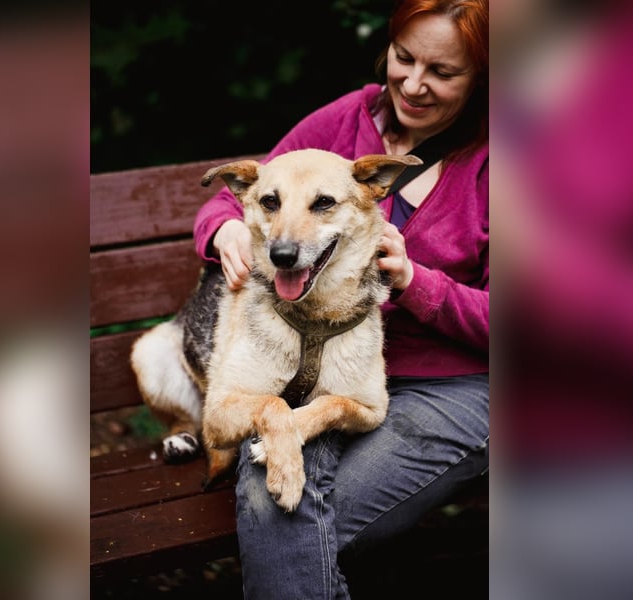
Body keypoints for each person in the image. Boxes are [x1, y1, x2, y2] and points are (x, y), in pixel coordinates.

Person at [193, 0, 488, 596]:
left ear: (485, 75)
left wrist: (415, 282)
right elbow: (250, 194)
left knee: (281, 515)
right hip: (318, 375)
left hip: (450, 387)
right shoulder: (345, 119)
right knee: (274, 495)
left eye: (443, 72)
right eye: (403, 58)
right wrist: (221, 228)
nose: (413, 83)